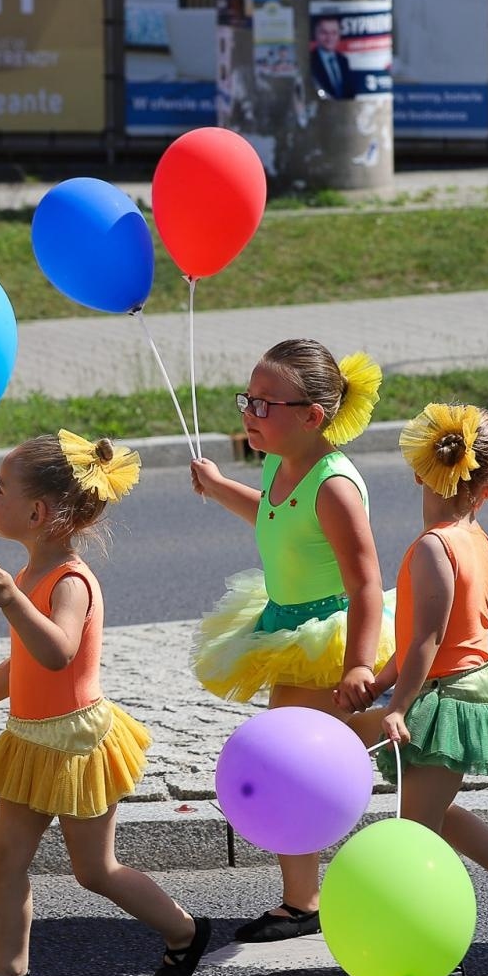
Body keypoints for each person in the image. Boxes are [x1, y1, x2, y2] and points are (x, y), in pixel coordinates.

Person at [0, 432, 209, 976]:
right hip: (31, 740)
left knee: (95, 870)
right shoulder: (29, 574)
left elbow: (58, 651)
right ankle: (9, 972)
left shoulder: (69, 580)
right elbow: (24, 663)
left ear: (37, 512)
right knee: (5, 857)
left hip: (77, 742)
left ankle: (185, 931)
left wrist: (13, 602)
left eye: (1, 490)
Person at [189, 338, 391, 943]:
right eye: (248, 400)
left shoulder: (335, 485)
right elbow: (274, 516)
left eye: (264, 404)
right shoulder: (280, 461)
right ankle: (302, 896)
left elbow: (366, 583)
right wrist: (219, 487)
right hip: (285, 626)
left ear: (312, 416)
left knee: (287, 765)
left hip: (327, 636)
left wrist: (358, 663)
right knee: (298, 759)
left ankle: (303, 900)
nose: (249, 413)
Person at [346, 403, 488, 976]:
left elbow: (427, 643)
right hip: (465, 686)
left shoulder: (434, 548)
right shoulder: (474, 538)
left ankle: (438, 944)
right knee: (432, 811)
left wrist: (396, 706)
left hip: (449, 698)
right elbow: (425, 637)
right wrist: (380, 682)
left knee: (416, 834)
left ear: (419, 468)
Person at [309, 16, 357, 99]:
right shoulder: (309, 61)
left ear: (339, 34)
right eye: (324, 33)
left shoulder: (343, 60)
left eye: (334, 33)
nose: (330, 38)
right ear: (315, 34)